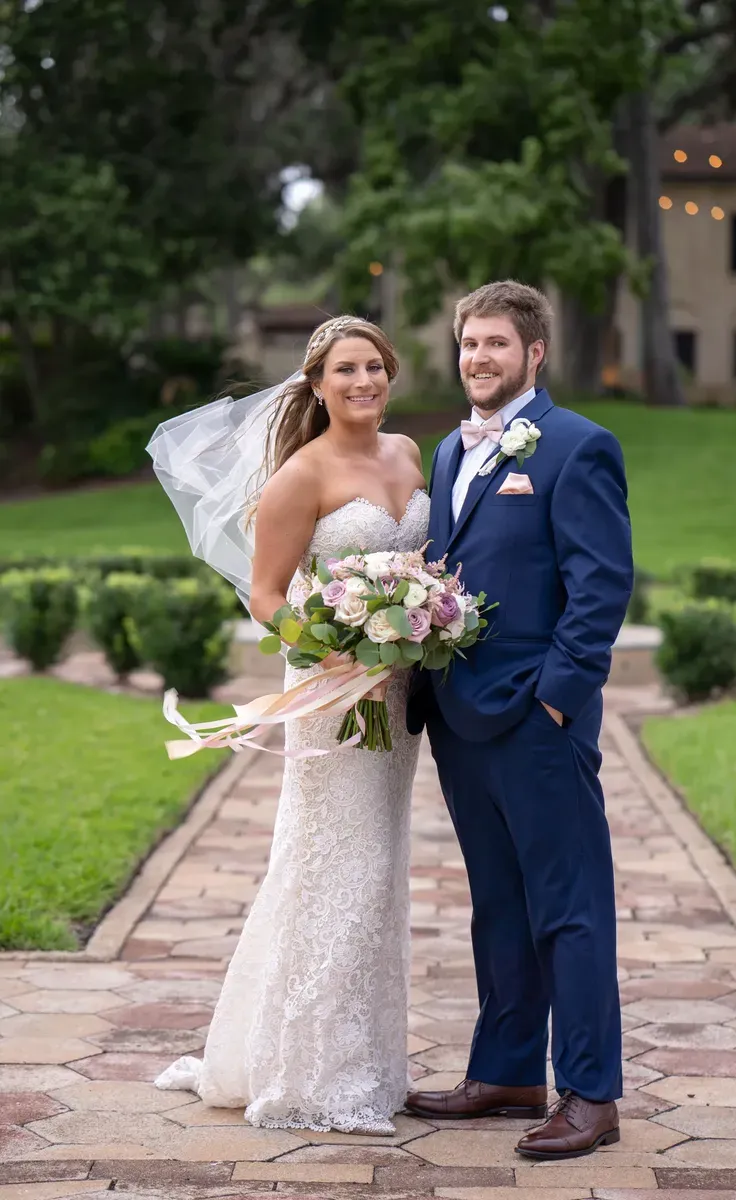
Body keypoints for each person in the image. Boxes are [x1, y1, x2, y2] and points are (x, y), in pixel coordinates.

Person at [152, 316, 429, 1134]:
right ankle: (311, 1074)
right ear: (316, 383)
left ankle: (367, 1062)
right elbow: (267, 595)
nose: (363, 381)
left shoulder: (408, 454)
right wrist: (330, 645)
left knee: (381, 871)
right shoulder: (300, 475)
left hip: (397, 696)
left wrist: (423, 618)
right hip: (331, 694)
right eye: (346, 369)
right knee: (335, 866)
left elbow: (423, 565)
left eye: (375, 366)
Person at [406, 280, 633, 1160]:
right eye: (469, 343)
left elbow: (600, 587)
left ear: (534, 353)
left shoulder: (579, 446)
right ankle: (505, 1071)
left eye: (496, 343)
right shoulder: (447, 450)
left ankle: (591, 1093)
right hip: (461, 718)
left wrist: (556, 698)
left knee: (569, 909)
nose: (479, 358)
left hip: (538, 721)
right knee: (497, 903)